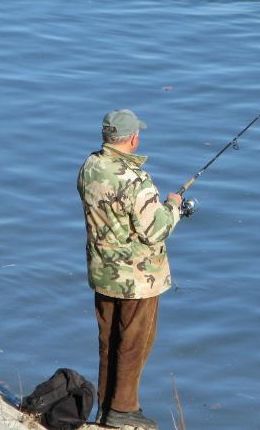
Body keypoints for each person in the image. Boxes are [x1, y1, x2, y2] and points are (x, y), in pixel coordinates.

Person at [77, 109, 183, 429]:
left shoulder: (90, 167)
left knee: (109, 340)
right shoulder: (135, 180)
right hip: (138, 279)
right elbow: (155, 230)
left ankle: (107, 408)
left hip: (103, 272)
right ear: (133, 138)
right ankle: (123, 410)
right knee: (135, 342)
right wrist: (173, 206)